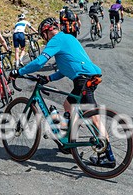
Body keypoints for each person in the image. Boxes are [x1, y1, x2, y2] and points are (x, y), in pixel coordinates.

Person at [9, 18, 114, 167]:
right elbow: (66, 68)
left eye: (42, 35)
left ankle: (107, 156)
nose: (44, 39)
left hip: (83, 79)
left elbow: (39, 62)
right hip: (87, 77)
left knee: (94, 118)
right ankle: (69, 142)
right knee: (68, 105)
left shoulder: (56, 40)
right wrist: (48, 78)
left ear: (47, 31)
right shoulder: (68, 38)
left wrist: (19, 71)